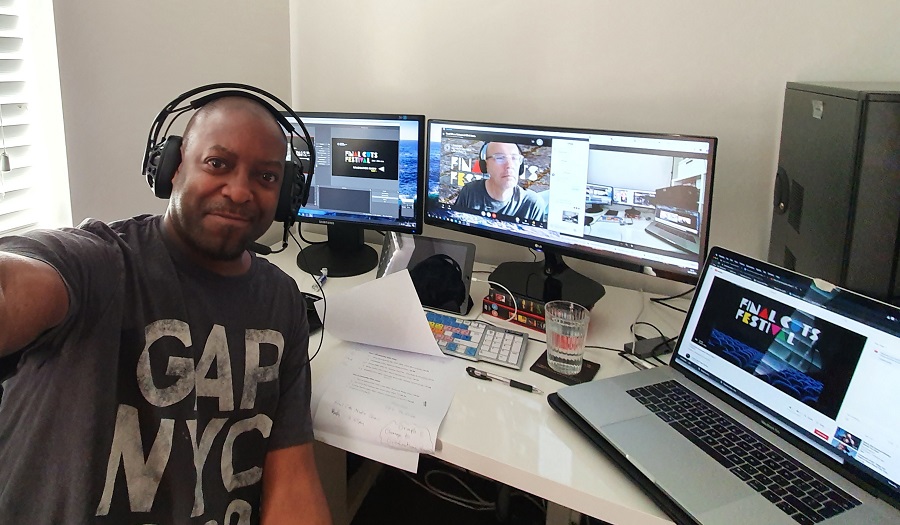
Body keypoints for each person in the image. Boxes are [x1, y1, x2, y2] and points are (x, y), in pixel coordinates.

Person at [0, 95, 332, 524]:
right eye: (217, 164)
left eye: (266, 176)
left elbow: (292, 481)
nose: (239, 190)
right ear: (172, 168)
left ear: (286, 194)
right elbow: (13, 290)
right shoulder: (101, 263)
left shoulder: (281, 299)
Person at [452, 141, 546, 221]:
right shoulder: (470, 191)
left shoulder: (533, 204)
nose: (510, 165)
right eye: (500, 158)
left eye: (514, 158)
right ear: (486, 166)